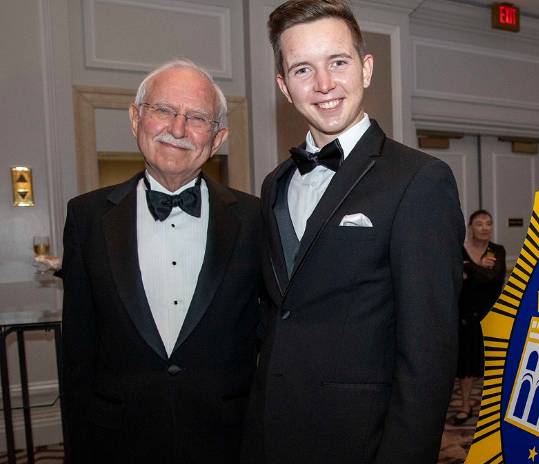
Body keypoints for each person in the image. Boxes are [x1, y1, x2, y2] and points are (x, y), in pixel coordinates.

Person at [241, 1, 465, 463]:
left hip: (361, 441)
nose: (324, 85)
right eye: (303, 69)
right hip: (274, 432)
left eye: (337, 62)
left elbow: (429, 351)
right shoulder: (274, 183)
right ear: (284, 87)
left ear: (365, 68)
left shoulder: (420, 180)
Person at [60, 59, 263, 464]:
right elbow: (78, 350)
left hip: (227, 439)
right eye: (164, 110)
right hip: (118, 440)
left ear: (218, 136)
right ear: (136, 118)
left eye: (197, 117)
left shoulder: (256, 218)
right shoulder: (86, 217)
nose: (178, 129)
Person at [453, 209, 506, 425]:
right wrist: (475, 269)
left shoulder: (498, 251)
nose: (485, 228)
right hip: (465, 317)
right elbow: (455, 280)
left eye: (488, 223)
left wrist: (470, 270)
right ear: (470, 228)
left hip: (491, 315)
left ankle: (492, 408)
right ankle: (465, 405)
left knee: (492, 365)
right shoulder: (459, 251)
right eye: (479, 224)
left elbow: (494, 278)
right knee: (466, 366)